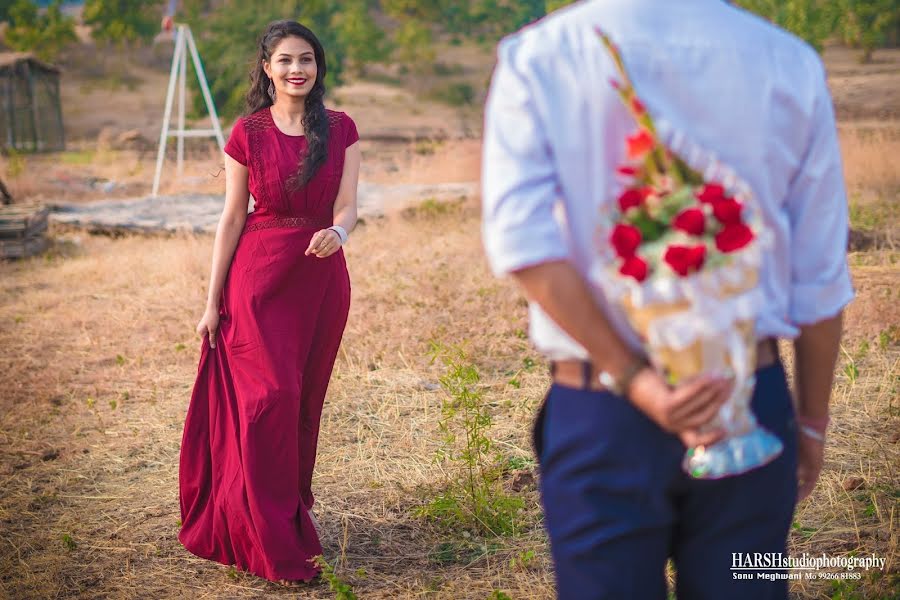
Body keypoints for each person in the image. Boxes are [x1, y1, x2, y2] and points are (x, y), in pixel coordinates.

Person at [481, 1, 853, 598]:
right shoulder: (788, 62)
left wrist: (636, 379)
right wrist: (811, 422)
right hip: (748, 401)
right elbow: (820, 277)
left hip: (601, 407)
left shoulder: (540, 57)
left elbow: (523, 245)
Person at [178, 20, 360, 585]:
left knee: (303, 403)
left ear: (318, 66)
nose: (296, 69)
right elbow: (232, 216)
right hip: (256, 282)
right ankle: (259, 528)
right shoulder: (248, 132)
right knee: (269, 400)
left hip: (320, 280)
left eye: (306, 59)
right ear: (267, 68)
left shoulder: (341, 128)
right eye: (285, 60)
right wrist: (211, 302)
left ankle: (287, 514)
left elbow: (348, 206)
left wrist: (341, 234)